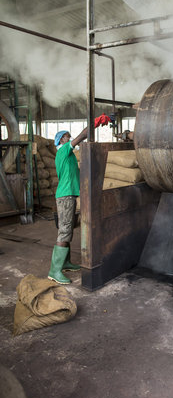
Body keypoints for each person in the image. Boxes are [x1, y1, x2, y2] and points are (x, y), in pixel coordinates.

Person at [47, 113, 110, 284]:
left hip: (69, 195)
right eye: (67, 136)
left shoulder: (67, 154)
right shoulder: (63, 151)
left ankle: (65, 262)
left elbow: (82, 141)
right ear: (61, 140)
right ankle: (54, 271)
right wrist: (95, 122)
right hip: (65, 196)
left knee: (68, 229)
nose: (70, 137)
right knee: (65, 231)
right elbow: (82, 136)